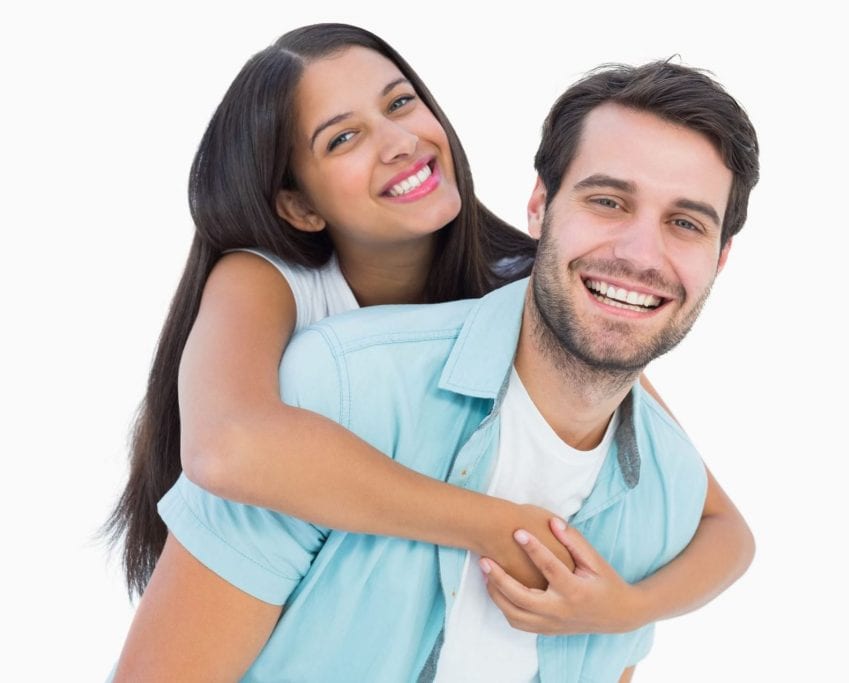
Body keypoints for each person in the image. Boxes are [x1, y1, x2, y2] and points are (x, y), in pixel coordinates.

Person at [112, 55, 760, 682]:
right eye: (342, 138)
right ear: (299, 204)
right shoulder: (304, 336)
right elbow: (227, 447)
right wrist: (498, 524)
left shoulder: (543, 282)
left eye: (400, 102)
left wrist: (624, 610)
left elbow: (699, 502)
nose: (399, 142)